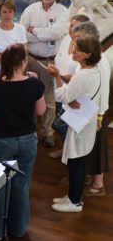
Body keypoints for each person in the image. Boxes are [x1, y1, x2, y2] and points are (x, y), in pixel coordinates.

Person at [0, 44, 46, 239]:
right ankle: (18, 229)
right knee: (21, 186)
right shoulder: (33, 84)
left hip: (1, 141)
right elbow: (41, 111)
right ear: (23, 62)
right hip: (27, 140)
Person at [48, 24, 102, 213]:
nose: (74, 51)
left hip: (79, 124)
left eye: (78, 49)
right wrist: (71, 98)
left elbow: (61, 96)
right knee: (76, 162)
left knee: (76, 163)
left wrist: (57, 77)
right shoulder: (93, 71)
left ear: (87, 54)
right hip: (85, 120)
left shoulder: (82, 75)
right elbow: (74, 96)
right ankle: (72, 196)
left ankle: (75, 201)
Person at [20, 0, 68, 148]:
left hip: (50, 62)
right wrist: (41, 33)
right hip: (31, 59)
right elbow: (22, 34)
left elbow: (55, 34)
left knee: (49, 100)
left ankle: (47, 132)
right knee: (28, 97)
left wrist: (34, 31)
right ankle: (29, 129)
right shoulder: (30, 10)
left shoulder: (63, 12)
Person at [71, 23, 110, 197]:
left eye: (80, 37)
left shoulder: (99, 60)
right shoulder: (92, 57)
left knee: (96, 147)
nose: (76, 40)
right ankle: (85, 176)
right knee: (87, 147)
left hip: (95, 111)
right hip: (88, 109)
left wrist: (100, 116)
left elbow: (103, 89)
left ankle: (98, 184)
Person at [49, 14, 90, 159]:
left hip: (73, 95)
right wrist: (54, 68)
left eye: (76, 26)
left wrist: (65, 77)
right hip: (60, 89)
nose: (71, 29)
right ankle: (65, 150)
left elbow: (87, 74)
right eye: (70, 25)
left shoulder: (86, 47)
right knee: (60, 123)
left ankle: (77, 158)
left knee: (67, 126)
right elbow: (59, 58)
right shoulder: (66, 39)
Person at [0, 0, 27, 80]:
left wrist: (1, 54)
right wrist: (14, 56)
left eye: (10, 11)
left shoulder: (21, 29)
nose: (8, 15)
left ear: (14, 13)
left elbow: (24, 56)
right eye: (4, 12)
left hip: (16, 76)